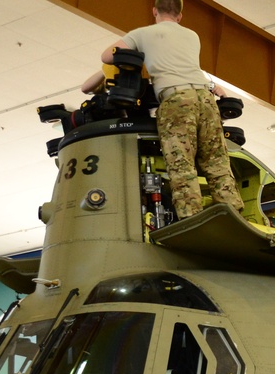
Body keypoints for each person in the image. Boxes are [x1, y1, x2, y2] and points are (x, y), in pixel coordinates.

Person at [101, 0, 243, 219]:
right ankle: (233, 214)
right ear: (180, 16)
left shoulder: (143, 33)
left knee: (181, 162)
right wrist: (214, 86)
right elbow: (187, 66)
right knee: (216, 161)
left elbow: (107, 56)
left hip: (176, 100)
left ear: (154, 11)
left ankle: (191, 218)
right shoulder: (192, 35)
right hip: (205, 97)